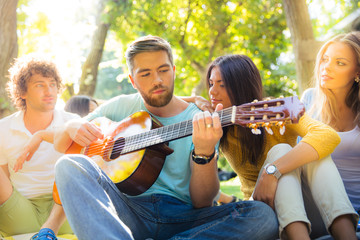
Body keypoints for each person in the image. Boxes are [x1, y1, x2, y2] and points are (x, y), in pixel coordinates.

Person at [53, 35, 279, 240]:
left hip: (182, 217)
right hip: (127, 211)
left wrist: (204, 152)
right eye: (146, 74)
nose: (157, 80)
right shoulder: (121, 106)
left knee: (262, 216)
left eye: (163, 70)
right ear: (133, 80)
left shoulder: (201, 119)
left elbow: (202, 201)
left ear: (173, 70)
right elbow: (62, 144)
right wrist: (72, 125)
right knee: (69, 164)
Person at [188, 54, 358, 239]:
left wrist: (272, 171)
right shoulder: (216, 121)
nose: (212, 91)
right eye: (211, 84)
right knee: (283, 150)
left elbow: (328, 136)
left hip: (304, 210)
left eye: (222, 84)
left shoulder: (275, 110)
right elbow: (160, 101)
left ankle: (347, 236)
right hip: (262, 213)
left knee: (302, 152)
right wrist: (195, 99)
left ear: (241, 85)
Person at [0, 55, 79, 239]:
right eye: (39, 85)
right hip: (20, 210)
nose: (49, 90)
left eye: (52, 84)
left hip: (64, 208)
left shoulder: (72, 122)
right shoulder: (3, 129)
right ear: (22, 92)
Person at [301, 31, 360, 233]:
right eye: (325, 59)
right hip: (318, 210)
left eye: (340, 63)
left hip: (358, 210)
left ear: (357, 72)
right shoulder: (309, 100)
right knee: (314, 151)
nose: (326, 67)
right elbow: (299, 155)